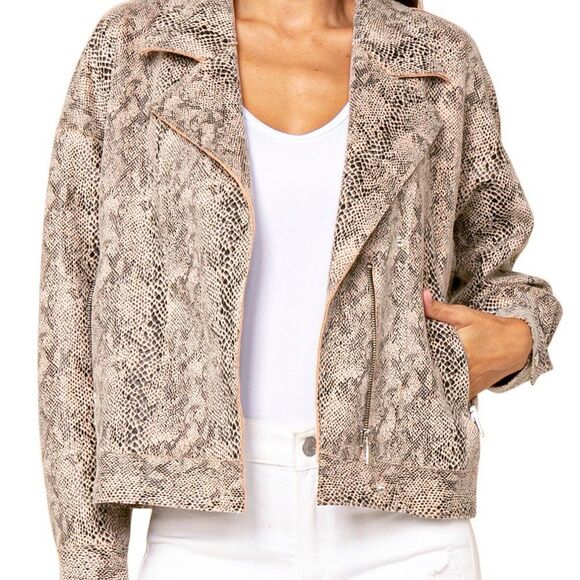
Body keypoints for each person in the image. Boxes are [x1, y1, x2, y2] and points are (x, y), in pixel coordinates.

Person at [37, 0, 562, 579]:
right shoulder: (137, 48)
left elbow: (493, 261)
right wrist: (90, 567)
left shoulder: (436, 58)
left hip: (406, 525)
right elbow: (68, 322)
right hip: (205, 535)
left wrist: (521, 336)